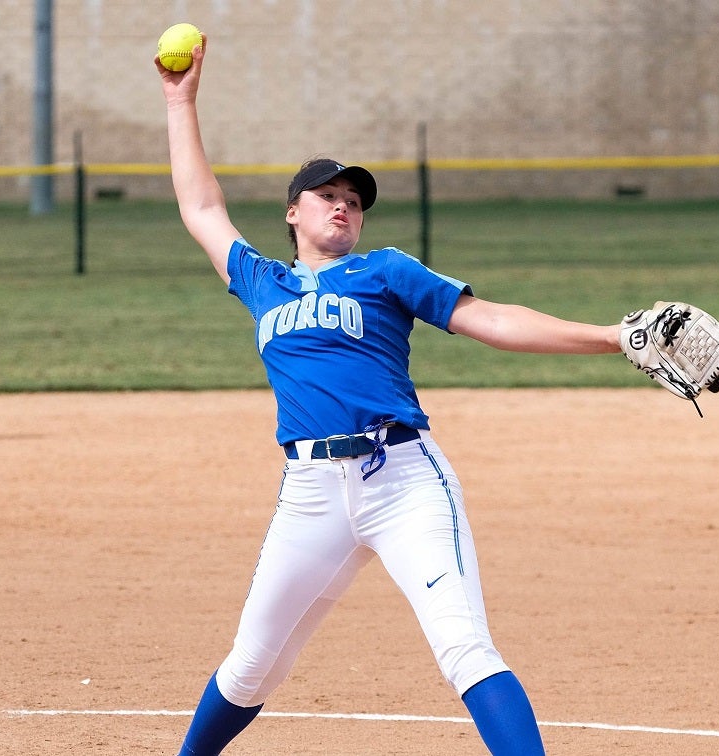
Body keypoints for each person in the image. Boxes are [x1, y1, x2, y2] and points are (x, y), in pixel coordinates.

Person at [158, 38, 626, 755]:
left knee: (464, 648)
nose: (344, 208)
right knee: (251, 666)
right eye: (328, 196)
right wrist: (180, 99)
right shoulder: (261, 281)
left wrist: (611, 336)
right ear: (293, 213)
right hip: (310, 492)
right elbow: (200, 205)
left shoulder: (384, 272)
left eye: (354, 202)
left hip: (402, 479)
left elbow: (490, 320)